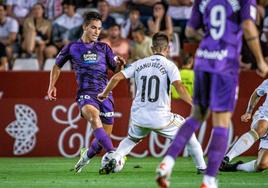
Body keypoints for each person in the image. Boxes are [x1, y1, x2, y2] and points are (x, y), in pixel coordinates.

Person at [155, 0, 268, 188]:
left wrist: (210, 38)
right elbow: (248, 25)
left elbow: (189, 32)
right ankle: (209, 180)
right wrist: (260, 60)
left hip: (203, 61)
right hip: (225, 65)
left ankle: (167, 162)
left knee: (196, 117)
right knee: (221, 123)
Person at [97, 32, 206, 175]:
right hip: (161, 117)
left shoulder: (139, 64)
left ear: (152, 48)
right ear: (167, 49)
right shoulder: (170, 66)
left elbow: (117, 77)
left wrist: (104, 94)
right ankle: (203, 168)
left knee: (131, 139)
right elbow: (179, 87)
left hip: (139, 117)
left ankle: (116, 157)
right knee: (189, 134)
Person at [47, 11, 126, 173]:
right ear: (84, 27)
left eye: (99, 28)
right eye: (93, 28)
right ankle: (113, 154)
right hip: (86, 93)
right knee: (93, 116)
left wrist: (121, 65)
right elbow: (57, 65)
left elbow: (114, 69)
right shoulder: (72, 47)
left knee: (102, 138)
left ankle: (86, 156)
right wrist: (51, 85)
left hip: (105, 94)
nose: (97, 31)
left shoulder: (104, 47)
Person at [220, 79, 268, 172]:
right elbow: (257, 93)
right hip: (264, 116)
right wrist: (249, 112)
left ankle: (236, 167)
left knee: (262, 164)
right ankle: (226, 158)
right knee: (262, 127)